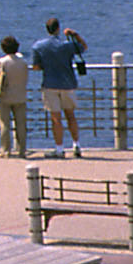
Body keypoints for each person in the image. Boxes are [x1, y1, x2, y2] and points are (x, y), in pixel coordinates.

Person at [30, 17, 87, 158]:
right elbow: (84, 47)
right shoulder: (67, 45)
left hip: (50, 84)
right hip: (68, 84)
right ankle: (76, 145)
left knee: (56, 118)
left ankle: (59, 149)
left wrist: (46, 66)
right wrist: (75, 34)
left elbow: (36, 67)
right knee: (71, 116)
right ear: (58, 29)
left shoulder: (39, 46)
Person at [0, 35, 31, 157]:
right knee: (21, 124)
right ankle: (22, 150)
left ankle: (5, 150)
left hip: (5, 95)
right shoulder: (23, 62)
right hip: (20, 94)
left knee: (4, 123)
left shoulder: (2, 62)